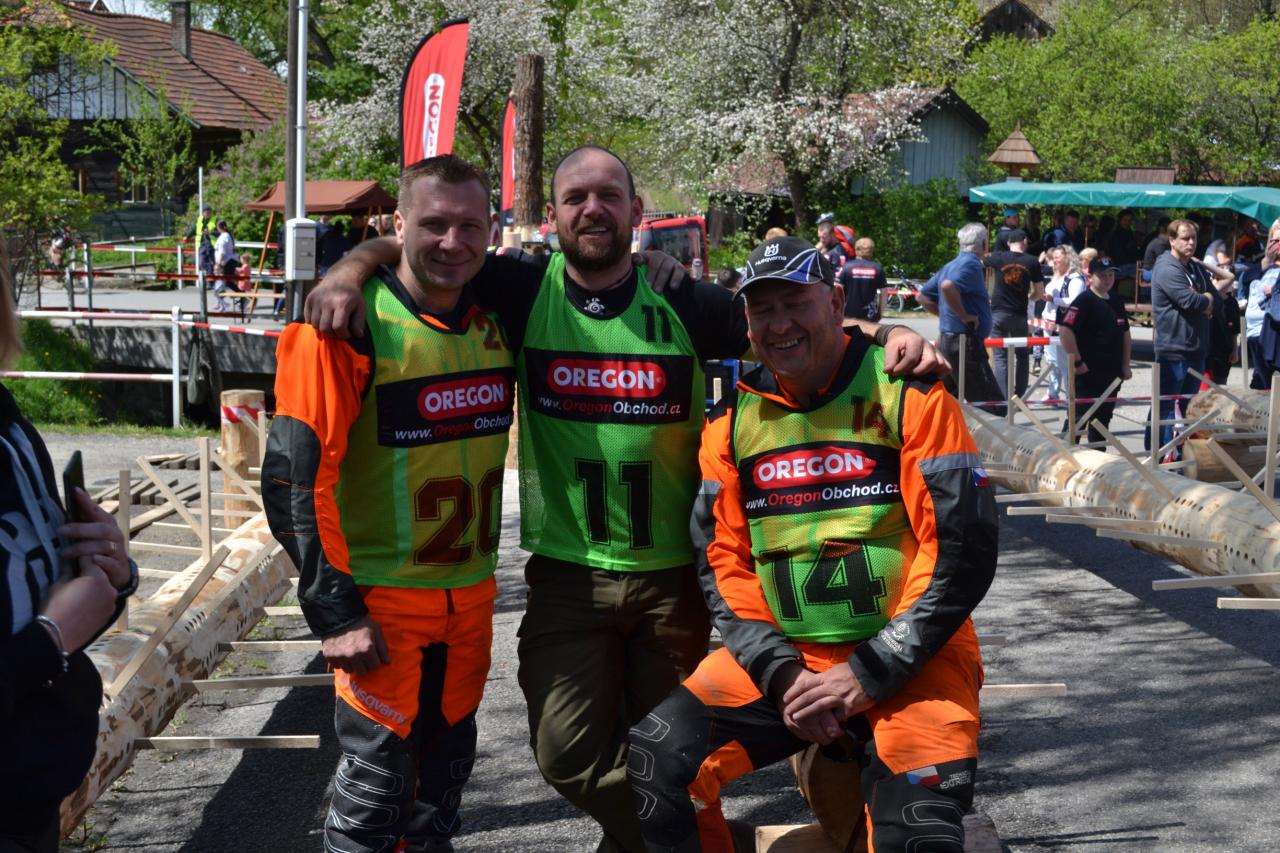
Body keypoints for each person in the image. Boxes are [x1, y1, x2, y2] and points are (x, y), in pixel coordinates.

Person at [304, 145, 945, 853]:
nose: (593, 210)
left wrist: (892, 333)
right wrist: (347, 269)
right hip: (568, 573)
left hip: (671, 581)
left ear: (636, 211)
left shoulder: (680, 298)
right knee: (567, 754)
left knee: (662, 752)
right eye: (575, 198)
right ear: (551, 216)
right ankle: (704, 839)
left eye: (609, 196)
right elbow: (428, 241)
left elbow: (793, 326)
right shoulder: (518, 289)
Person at [627, 235, 998, 852]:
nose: (780, 324)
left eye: (796, 303)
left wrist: (870, 672)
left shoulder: (910, 393)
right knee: (657, 760)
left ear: (835, 303)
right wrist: (780, 675)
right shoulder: (730, 423)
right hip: (793, 661)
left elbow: (963, 552)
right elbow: (722, 564)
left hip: (916, 659)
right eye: (763, 310)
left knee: (919, 836)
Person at [262, 156, 511, 853]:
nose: (452, 242)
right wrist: (335, 611)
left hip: (470, 598)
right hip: (383, 600)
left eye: (470, 225)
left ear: (491, 229)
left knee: (440, 793)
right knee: (376, 793)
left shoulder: (498, 309)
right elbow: (291, 479)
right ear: (399, 224)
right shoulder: (345, 324)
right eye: (433, 224)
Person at [0, 258, 138, 852]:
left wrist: (107, 574)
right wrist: (50, 639)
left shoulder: (8, 420)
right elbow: (50, 632)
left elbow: (49, 592)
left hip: (33, 800)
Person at [1147, 219, 1238, 455]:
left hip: (1197, 349)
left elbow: (1217, 299)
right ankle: (1157, 457)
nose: (1191, 243)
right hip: (1173, 349)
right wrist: (1205, 300)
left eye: (1194, 238)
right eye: (1185, 238)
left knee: (1189, 407)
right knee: (1165, 407)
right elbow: (1190, 301)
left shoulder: (1195, 267)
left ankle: (1180, 455)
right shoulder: (1167, 267)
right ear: (1172, 240)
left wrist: (1205, 299)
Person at [918, 222, 1006, 415]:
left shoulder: (951, 265)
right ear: (984, 244)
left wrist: (948, 314)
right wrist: (963, 316)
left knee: (947, 401)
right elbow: (947, 287)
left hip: (949, 341)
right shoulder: (971, 264)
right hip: (965, 344)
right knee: (994, 407)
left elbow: (922, 297)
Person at [1057, 257, 1132, 444]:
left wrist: (1125, 365)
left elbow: (1125, 333)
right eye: (1102, 275)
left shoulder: (1115, 300)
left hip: (1111, 374)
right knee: (1077, 420)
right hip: (1088, 374)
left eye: (1111, 275)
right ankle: (1063, 456)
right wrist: (1078, 362)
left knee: (1102, 422)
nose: (1108, 279)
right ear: (1090, 277)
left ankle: (1098, 457)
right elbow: (1065, 330)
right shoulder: (1084, 300)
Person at [983, 228, 1045, 401]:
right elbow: (1040, 292)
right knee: (1023, 354)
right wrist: (1030, 298)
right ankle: (1020, 395)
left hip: (998, 313)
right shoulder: (1032, 261)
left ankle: (1003, 398)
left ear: (1009, 243)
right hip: (1019, 314)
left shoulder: (999, 257)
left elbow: (978, 259)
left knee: (1000, 356)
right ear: (1025, 241)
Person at [1042, 244, 1087, 404]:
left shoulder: (1075, 278)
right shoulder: (1056, 274)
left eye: (1057, 257)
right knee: (1051, 360)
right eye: (1053, 258)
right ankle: (1053, 393)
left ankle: (1070, 397)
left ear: (1068, 257)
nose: (1054, 261)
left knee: (1065, 363)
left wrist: (1052, 299)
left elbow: (1073, 301)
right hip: (1049, 322)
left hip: (1063, 325)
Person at [1246, 220, 1280, 389]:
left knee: (1268, 386)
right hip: (1255, 334)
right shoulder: (1265, 266)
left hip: (1273, 333)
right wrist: (1267, 258)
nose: (1275, 244)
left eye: (1279, 241)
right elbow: (1246, 279)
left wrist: (1274, 292)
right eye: (1273, 240)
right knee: (1260, 385)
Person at [836, 236, 886, 323]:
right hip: (870, 316)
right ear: (871, 251)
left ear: (856, 250)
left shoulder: (846, 267)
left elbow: (837, 289)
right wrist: (881, 312)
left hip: (848, 315)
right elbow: (884, 293)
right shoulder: (878, 268)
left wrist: (837, 310)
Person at [212, 220, 242, 313]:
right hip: (225, 262)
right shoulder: (224, 236)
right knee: (224, 282)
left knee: (223, 282)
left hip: (227, 262)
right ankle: (221, 302)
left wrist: (218, 264)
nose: (218, 229)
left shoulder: (225, 236)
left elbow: (222, 252)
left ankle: (241, 297)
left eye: (218, 227)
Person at [1105, 209, 1142, 279]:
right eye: (1125, 220)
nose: (1127, 222)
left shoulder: (1129, 233)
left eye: (1130, 220)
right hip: (1120, 266)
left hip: (1128, 264)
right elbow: (1119, 255)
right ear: (1120, 220)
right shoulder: (1116, 235)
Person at [186, 204, 216, 277]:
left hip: (211, 246)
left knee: (212, 263)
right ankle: (206, 277)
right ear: (203, 213)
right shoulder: (199, 220)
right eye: (207, 212)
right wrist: (187, 236)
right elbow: (193, 229)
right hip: (202, 245)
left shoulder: (215, 220)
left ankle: (210, 278)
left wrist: (210, 232)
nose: (208, 214)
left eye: (210, 212)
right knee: (201, 263)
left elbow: (220, 232)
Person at [1142, 217, 1172, 282]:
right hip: (1149, 272)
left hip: (1158, 270)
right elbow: (1164, 260)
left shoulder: (1164, 242)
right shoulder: (1159, 243)